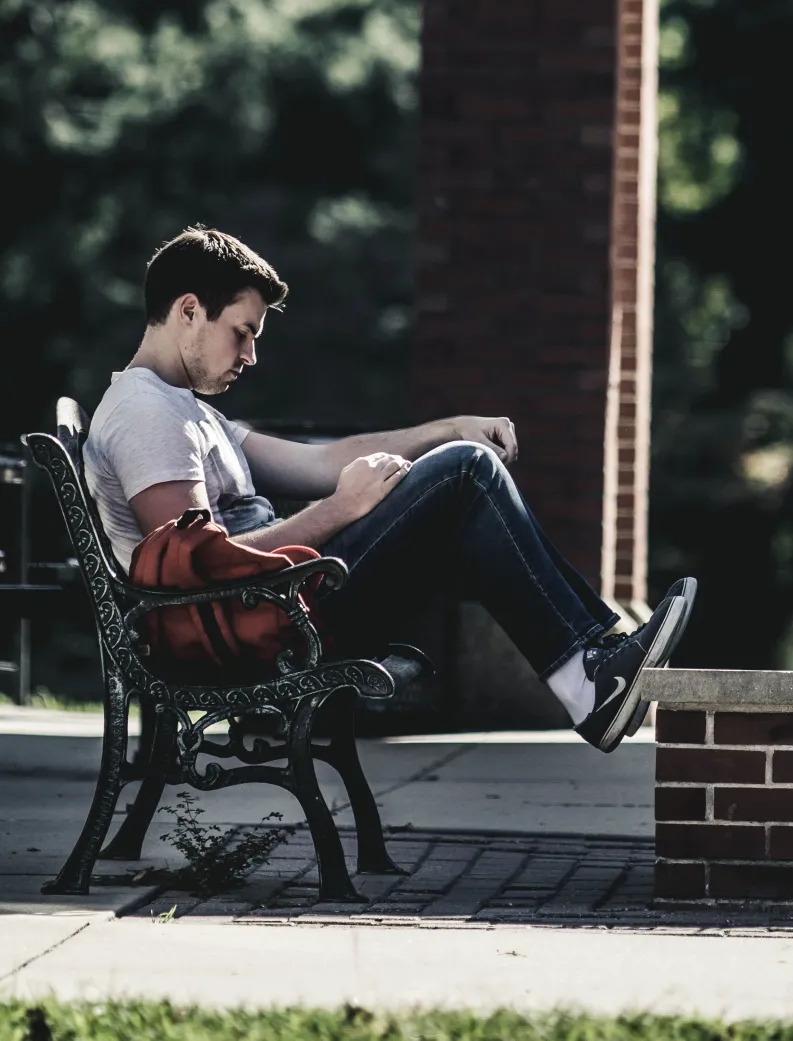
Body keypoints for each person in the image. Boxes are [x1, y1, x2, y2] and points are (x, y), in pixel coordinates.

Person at [84, 226, 695, 751]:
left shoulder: (184, 409)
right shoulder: (145, 415)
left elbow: (324, 462)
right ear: (189, 310)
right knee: (464, 473)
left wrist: (450, 427)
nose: (251, 354)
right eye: (242, 332)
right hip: (267, 619)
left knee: (461, 468)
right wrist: (342, 509)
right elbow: (198, 577)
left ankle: (595, 662)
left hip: (280, 601)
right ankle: (588, 679)